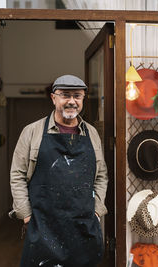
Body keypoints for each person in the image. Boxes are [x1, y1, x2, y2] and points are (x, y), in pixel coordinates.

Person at [10, 74, 108, 267]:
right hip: (43, 227)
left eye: (77, 96)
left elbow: (101, 175)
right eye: (65, 95)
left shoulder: (92, 133)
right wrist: (27, 215)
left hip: (83, 227)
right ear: (54, 98)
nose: (71, 101)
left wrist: (96, 211)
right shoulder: (32, 132)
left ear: (83, 99)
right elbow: (17, 175)